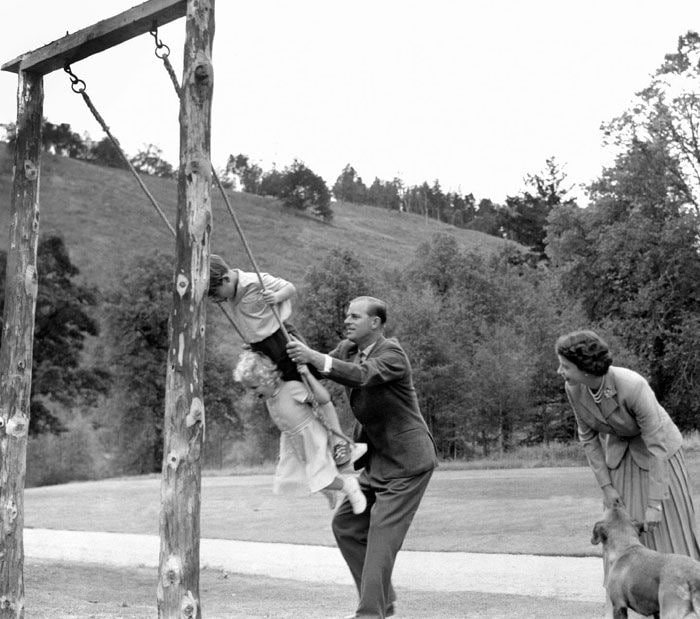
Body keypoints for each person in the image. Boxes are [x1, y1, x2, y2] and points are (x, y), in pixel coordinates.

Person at [286, 295, 438, 619]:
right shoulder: (348, 349)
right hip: (377, 461)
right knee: (346, 526)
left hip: (408, 463)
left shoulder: (392, 353)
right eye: (347, 315)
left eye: (355, 316)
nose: (347, 321)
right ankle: (384, 600)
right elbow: (316, 364)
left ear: (376, 323)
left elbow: (360, 375)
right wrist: (279, 330)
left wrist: (313, 356)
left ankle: (370, 613)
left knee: (381, 539)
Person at [555, 329, 700, 559]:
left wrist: (655, 505)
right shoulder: (573, 388)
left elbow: (656, 445)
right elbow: (588, 439)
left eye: (565, 366)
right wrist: (606, 487)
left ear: (585, 368)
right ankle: (625, 591)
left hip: (660, 456)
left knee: (663, 528)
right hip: (621, 457)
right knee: (621, 527)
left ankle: (680, 589)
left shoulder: (632, 385)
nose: (559, 371)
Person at [208, 254, 353, 466]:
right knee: (278, 395)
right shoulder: (228, 292)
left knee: (313, 390)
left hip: (281, 339)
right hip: (261, 347)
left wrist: (276, 298)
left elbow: (290, 288)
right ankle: (301, 447)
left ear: (225, 279)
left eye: (215, 293)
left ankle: (339, 441)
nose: (217, 299)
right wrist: (252, 340)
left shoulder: (253, 281)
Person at [233, 350, 367, 514]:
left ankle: (349, 486)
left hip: (311, 437)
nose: (252, 392)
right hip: (295, 442)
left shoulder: (291, 389)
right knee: (294, 479)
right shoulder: (270, 400)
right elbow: (284, 424)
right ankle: (329, 491)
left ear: (267, 378)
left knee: (319, 476)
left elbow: (323, 399)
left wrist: (309, 376)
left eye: (254, 387)